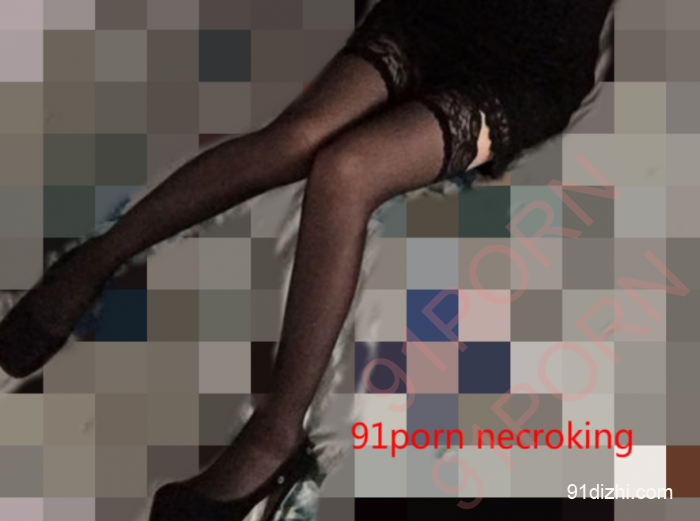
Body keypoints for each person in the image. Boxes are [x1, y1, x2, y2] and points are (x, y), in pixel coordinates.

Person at [0, 0, 616, 519]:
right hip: (434, 17)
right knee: (294, 138)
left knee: (347, 171)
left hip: (526, 66)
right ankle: (90, 263)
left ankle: (276, 433)